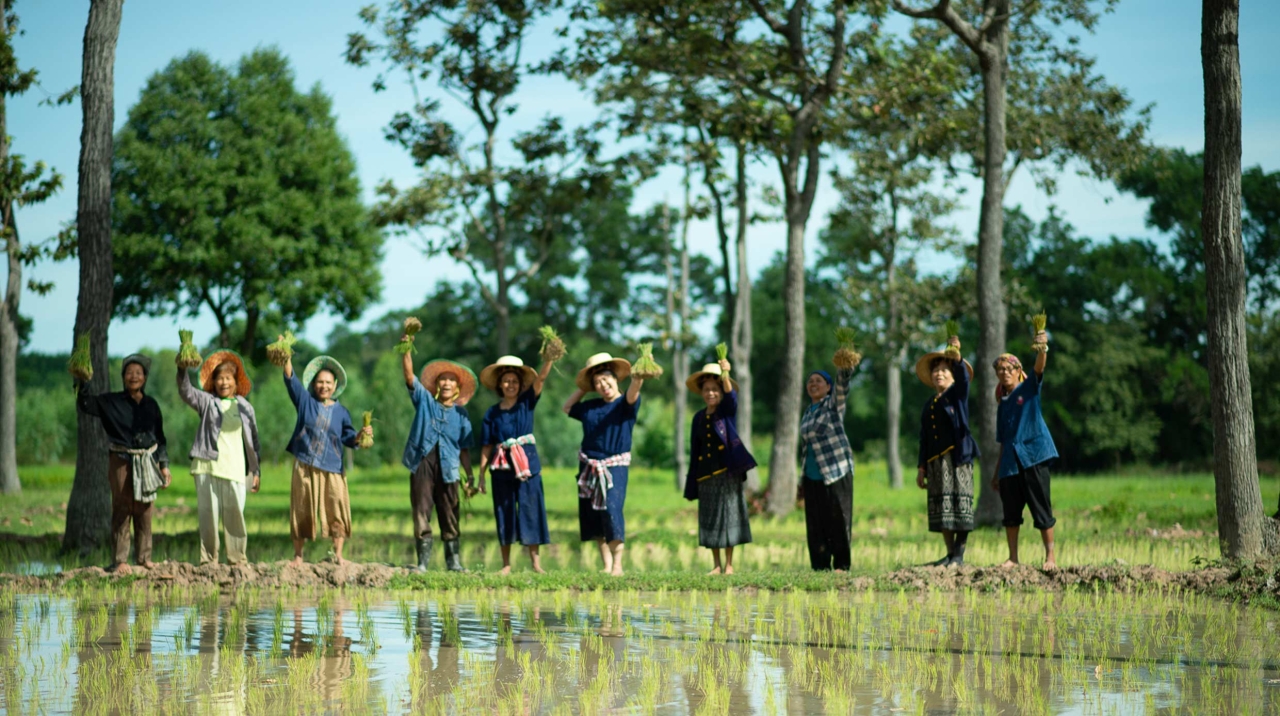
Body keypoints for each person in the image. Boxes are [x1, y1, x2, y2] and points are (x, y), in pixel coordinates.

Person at [76, 354, 172, 574]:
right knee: (122, 507)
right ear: (123, 377)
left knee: (145, 508)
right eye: (129, 373)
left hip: (147, 459)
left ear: (145, 378)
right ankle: (120, 560)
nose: (134, 376)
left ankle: (144, 558)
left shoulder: (151, 405)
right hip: (121, 459)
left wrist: (163, 464)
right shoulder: (111, 402)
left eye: (138, 373)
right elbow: (86, 404)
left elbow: (160, 437)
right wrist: (83, 381)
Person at [281, 348, 372, 565]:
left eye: (328, 383)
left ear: (335, 386)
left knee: (336, 508)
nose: (324, 386)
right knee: (301, 508)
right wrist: (286, 356)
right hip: (305, 463)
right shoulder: (305, 402)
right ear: (313, 384)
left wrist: (361, 435)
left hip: (333, 467)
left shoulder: (342, 412)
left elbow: (349, 438)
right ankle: (298, 556)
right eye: (320, 382)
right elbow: (290, 379)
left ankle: (337, 555)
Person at [563, 352, 645, 576]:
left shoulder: (625, 405)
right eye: (597, 382)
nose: (602, 385)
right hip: (589, 466)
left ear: (616, 378)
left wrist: (638, 378)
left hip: (614, 466)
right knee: (595, 514)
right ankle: (606, 565)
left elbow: (633, 391)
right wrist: (584, 387)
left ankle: (617, 565)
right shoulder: (590, 407)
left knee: (611, 509)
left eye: (606, 379)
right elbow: (567, 407)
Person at [177, 349, 261, 565]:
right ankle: (208, 560)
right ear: (213, 383)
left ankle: (237, 558)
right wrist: (182, 368)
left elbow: (254, 442)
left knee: (235, 515)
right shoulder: (207, 402)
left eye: (228, 378)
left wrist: (256, 470)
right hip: (206, 466)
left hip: (234, 468)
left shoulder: (245, 407)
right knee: (208, 515)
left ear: (236, 382)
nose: (224, 383)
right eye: (219, 379)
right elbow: (186, 391)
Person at [477, 354, 556, 574]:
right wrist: (481, 475)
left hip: (527, 466)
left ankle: (536, 563)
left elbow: (540, 380)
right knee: (504, 512)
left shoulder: (526, 403)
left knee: (531, 510)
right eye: (506, 381)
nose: (510, 385)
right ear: (499, 385)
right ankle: (506, 564)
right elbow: (486, 446)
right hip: (501, 468)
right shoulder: (491, 414)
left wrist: (549, 358)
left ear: (520, 385)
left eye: (514, 381)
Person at [402, 345, 477, 572]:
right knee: (421, 510)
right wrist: (406, 349)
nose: (446, 383)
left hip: (450, 468)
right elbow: (408, 376)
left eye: (451, 380)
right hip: (423, 462)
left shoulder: (462, 415)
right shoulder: (425, 401)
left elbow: (464, 448)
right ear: (436, 384)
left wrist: (470, 475)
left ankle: (453, 562)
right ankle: (423, 563)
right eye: (442, 379)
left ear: (457, 387)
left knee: (450, 511)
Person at [991, 328, 1059, 570]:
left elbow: (1039, 367)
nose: (1005, 372)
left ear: (1018, 372)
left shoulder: (1028, 390)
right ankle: (1013, 557)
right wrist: (997, 472)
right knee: (1011, 513)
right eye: (1000, 370)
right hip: (1010, 463)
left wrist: (1042, 348)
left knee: (1041, 508)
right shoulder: (1002, 405)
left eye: (1010, 368)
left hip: (1033, 457)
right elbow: (1003, 441)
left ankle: (1050, 557)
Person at [682, 358, 755, 575]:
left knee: (730, 516)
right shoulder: (698, 418)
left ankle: (729, 565)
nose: (711, 393)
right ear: (701, 392)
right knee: (710, 518)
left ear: (720, 391)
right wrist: (692, 479)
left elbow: (732, 398)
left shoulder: (726, 412)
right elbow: (695, 450)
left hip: (728, 473)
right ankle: (716, 565)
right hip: (705, 476)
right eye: (707, 390)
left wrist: (725, 374)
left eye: (715, 389)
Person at [913, 334, 978, 566]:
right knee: (943, 508)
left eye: (944, 369)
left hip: (957, 457)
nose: (939, 373)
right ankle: (950, 553)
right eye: (936, 370)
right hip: (935, 462)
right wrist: (922, 467)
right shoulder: (929, 404)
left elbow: (963, 379)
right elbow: (924, 437)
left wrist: (957, 359)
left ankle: (959, 555)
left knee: (960, 506)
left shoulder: (957, 395)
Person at [800, 355, 857, 571]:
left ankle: (842, 565)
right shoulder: (807, 414)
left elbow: (843, 385)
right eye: (810, 381)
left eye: (818, 381)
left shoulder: (833, 406)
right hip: (812, 477)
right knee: (816, 524)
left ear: (828, 387)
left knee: (838, 520)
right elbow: (805, 451)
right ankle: (820, 567)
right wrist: (801, 480)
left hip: (836, 472)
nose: (813, 384)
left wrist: (845, 367)